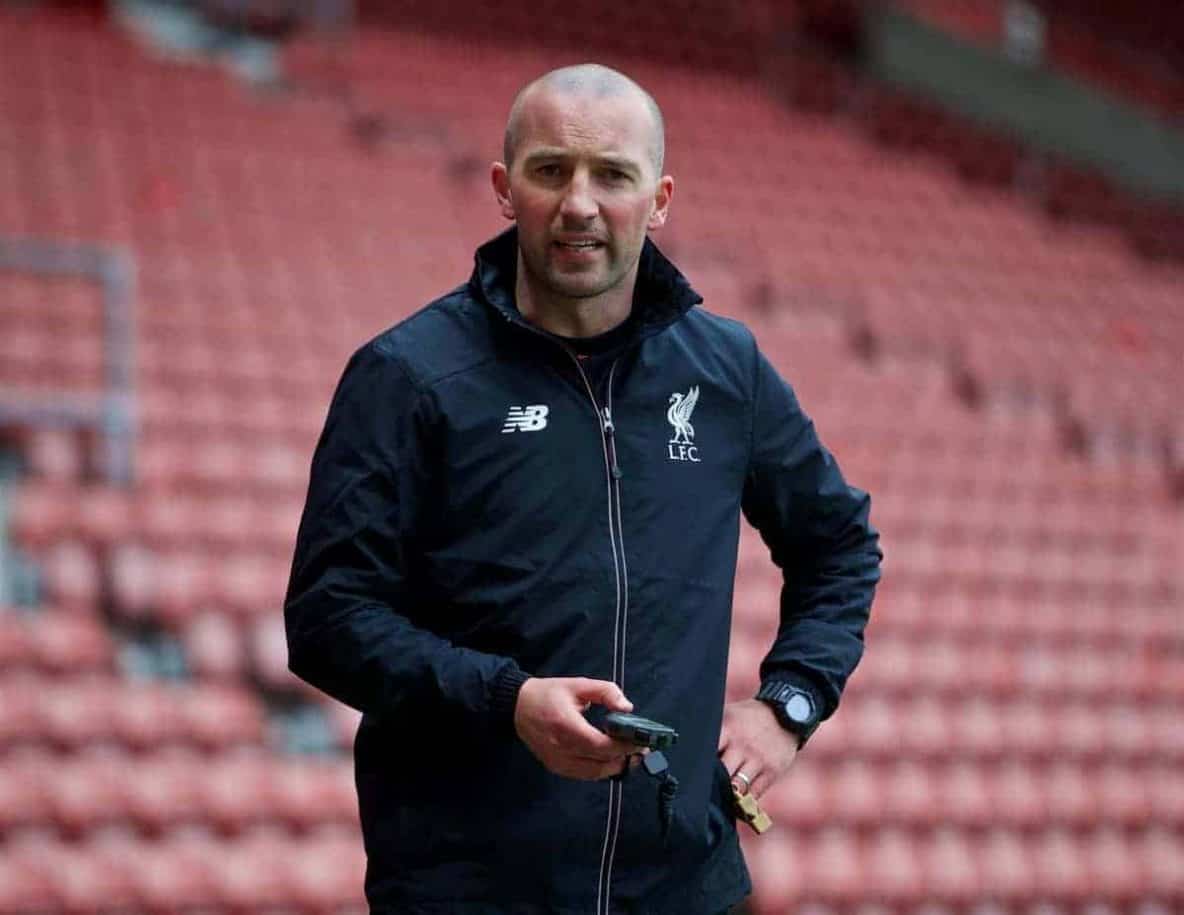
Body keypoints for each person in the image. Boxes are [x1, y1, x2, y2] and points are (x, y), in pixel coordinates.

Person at [284, 63, 881, 915]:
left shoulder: (727, 370)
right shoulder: (408, 377)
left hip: (679, 885)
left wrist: (788, 705)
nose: (580, 203)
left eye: (613, 175)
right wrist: (509, 701)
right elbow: (328, 619)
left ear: (660, 197)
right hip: (466, 892)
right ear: (503, 187)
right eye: (551, 169)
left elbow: (841, 546)